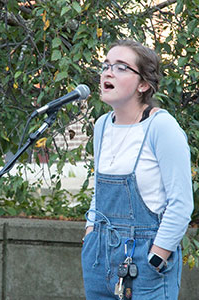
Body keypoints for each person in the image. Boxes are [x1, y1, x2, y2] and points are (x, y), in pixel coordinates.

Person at [81, 39, 193, 299]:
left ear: (144, 84)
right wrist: (90, 234)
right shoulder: (101, 126)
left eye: (121, 67)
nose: (108, 72)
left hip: (145, 262)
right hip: (98, 257)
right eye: (106, 65)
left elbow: (181, 203)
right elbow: (100, 193)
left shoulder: (161, 128)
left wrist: (157, 256)